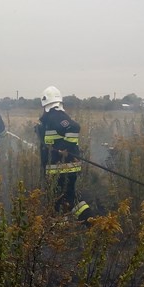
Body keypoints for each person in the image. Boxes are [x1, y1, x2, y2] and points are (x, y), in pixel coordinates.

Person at [35, 85, 91, 220]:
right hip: (64, 167)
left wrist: (65, 148)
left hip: (60, 169)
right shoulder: (52, 118)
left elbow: (74, 127)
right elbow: (52, 140)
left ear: (45, 104)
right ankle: (92, 223)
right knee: (71, 199)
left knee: (58, 202)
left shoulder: (55, 116)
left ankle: (59, 235)